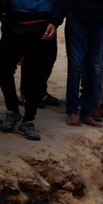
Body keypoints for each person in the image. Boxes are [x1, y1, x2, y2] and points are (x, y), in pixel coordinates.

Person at [0, 0, 66, 140]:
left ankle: (28, 121)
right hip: (12, 24)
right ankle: (12, 111)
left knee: (35, 74)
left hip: (42, 25)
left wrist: (55, 22)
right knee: (3, 68)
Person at [64, 0, 103, 128]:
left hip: (102, 22)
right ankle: (72, 111)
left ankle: (87, 112)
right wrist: (66, 12)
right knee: (76, 68)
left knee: (95, 69)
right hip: (77, 19)